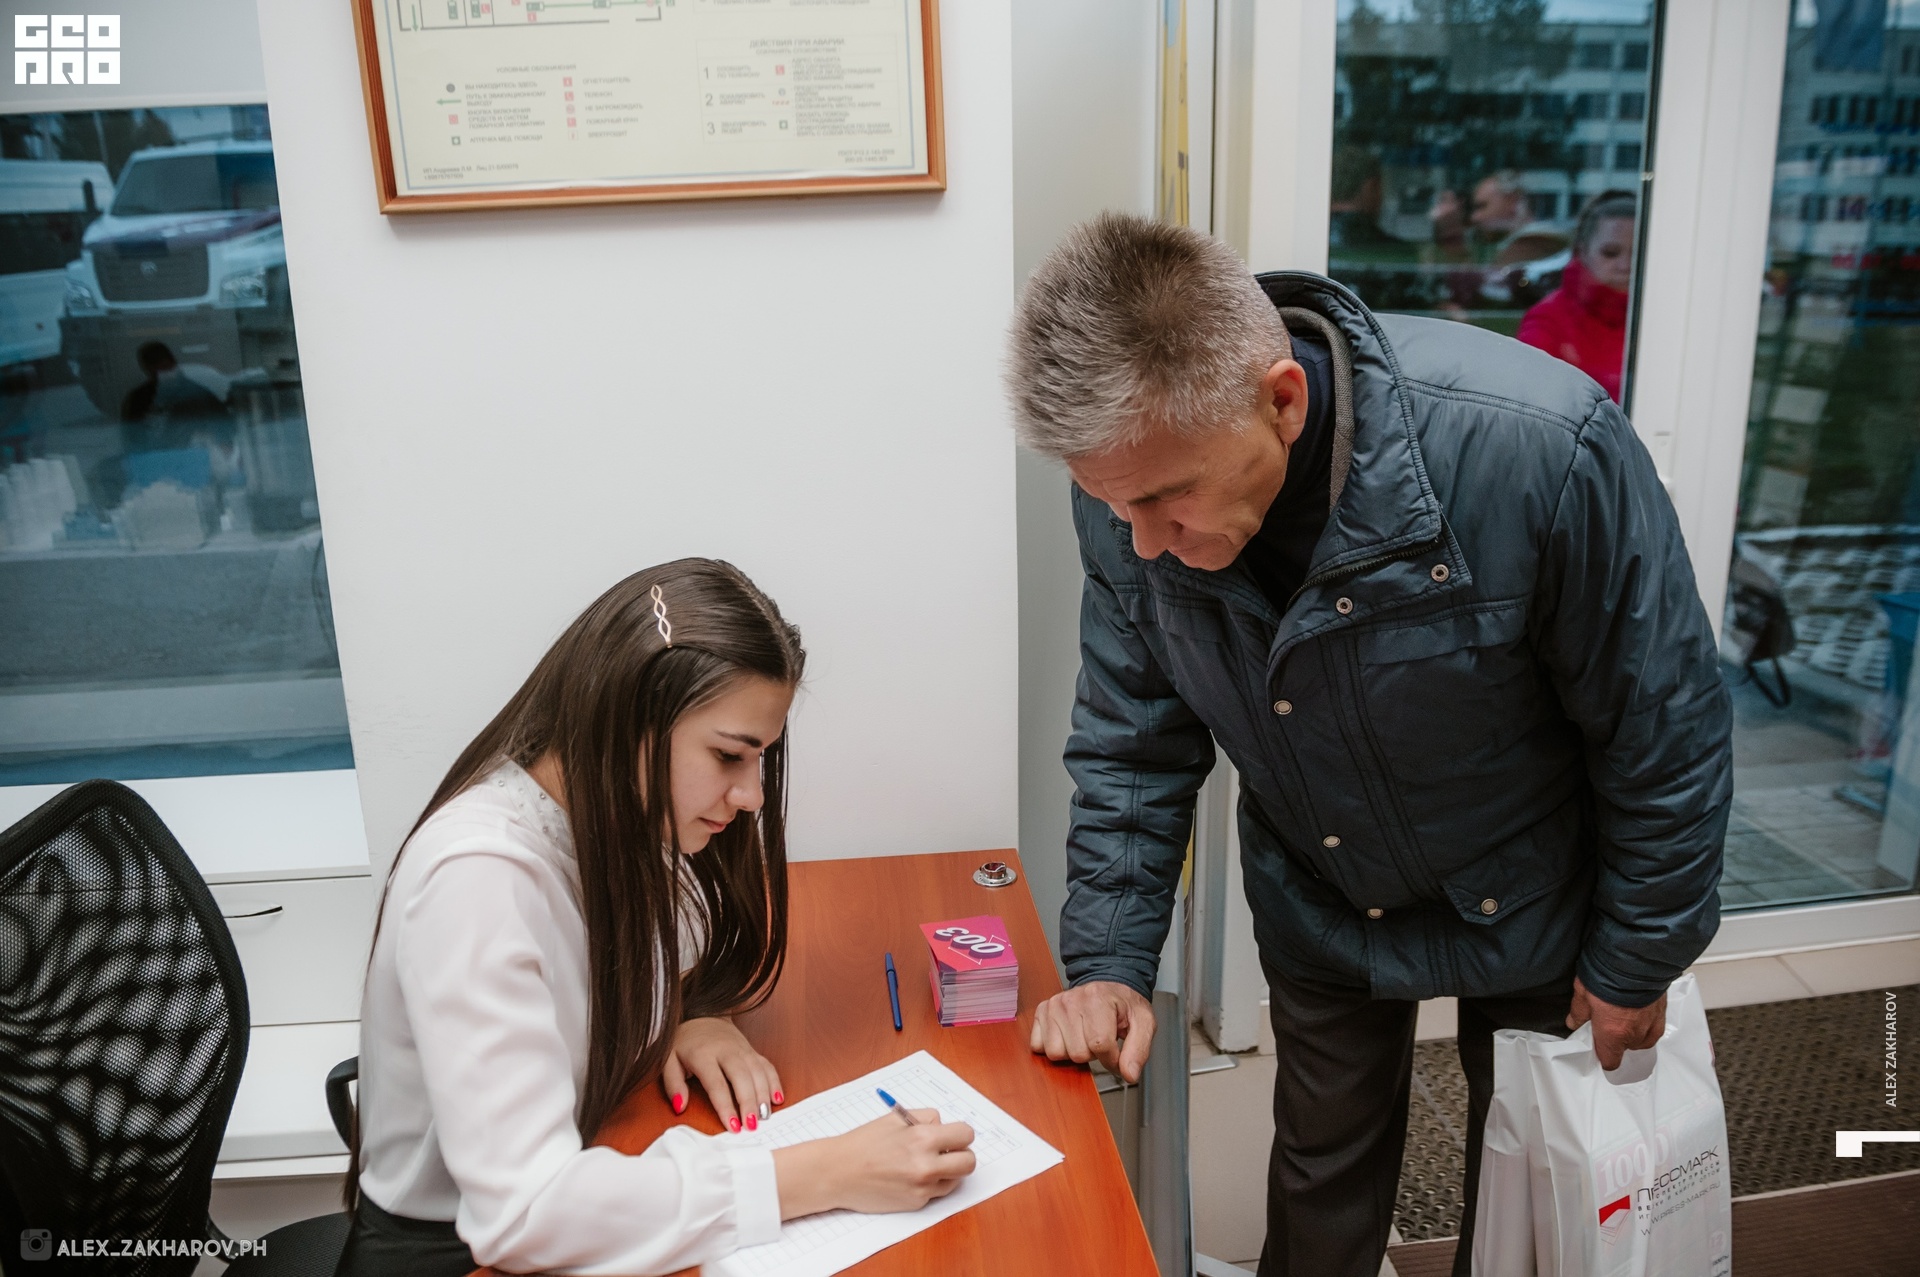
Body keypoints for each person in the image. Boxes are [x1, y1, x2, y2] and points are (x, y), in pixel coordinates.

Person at [1006, 214, 1730, 1277]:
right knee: (1322, 1174)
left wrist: (1639, 955)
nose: (1145, 542)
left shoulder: (1541, 449)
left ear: (1282, 400)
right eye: (1115, 506)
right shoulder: (1129, 506)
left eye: (1165, 499)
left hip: (1538, 880)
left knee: (1543, 1190)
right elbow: (1133, 740)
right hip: (1324, 882)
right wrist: (1111, 961)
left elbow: (1662, 724)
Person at [341, 559, 978, 1277]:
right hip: (453, 1257)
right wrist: (824, 1172)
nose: (751, 795)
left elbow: (672, 938)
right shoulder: (477, 880)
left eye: (759, 758)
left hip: (578, 1166)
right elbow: (527, 1212)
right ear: (630, 719)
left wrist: (690, 1015)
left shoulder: (611, 813)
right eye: (728, 755)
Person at [1517, 191, 1639, 400]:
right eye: (1610, 253)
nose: (1625, 265)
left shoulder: (1673, 317)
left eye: (1638, 254)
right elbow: (1528, 396)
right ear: (1582, 252)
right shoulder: (1548, 319)